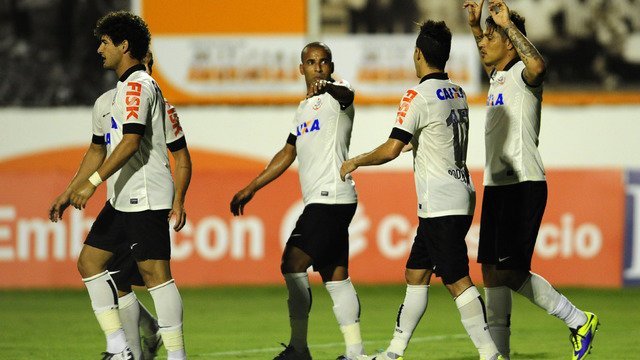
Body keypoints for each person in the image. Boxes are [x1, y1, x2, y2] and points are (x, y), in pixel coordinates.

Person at [340, 20, 502, 360]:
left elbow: (392, 148)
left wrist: (356, 160)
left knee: (457, 280)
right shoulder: (456, 92)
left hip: (441, 200)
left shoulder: (417, 95)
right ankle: (394, 352)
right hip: (458, 192)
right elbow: (431, 138)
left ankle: (490, 355)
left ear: (418, 54)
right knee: (416, 273)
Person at [48, 11, 191, 360]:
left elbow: (131, 142)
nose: (99, 49)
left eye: (104, 43)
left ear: (124, 46)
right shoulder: (108, 100)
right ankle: (120, 348)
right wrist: (70, 190)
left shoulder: (141, 86)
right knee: (90, 263)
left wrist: (93, 184)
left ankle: (176, 355)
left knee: (155, 275)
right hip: (122, 198)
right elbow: (96, 150)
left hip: (146, 196)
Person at [463, 1, 599, 359]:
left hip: (523, 183)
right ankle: (499, 356)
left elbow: (539, 65)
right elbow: (486, 52)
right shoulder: (498, 76)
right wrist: (477, 25)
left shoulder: (524, 74)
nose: (482, 43)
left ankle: (578, 319)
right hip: (498, 186)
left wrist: (506, 26)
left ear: (509, 41)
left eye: (491, 38)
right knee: (491, 274)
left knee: (509, 273)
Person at [230, 42, 365, 360]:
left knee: (292, 263)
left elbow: (348, 96)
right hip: (328, 199)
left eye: (323, 62)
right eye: (311, 62)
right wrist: (253, 186)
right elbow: (288, 152)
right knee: (336, 275)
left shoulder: (338, 94)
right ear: (301, 68)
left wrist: (329, 86)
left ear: (331, 66)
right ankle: (355, 352)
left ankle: (299, 348)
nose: (317, 67)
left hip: (329, 198)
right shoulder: (303, 109)